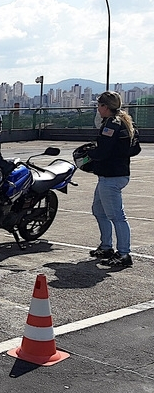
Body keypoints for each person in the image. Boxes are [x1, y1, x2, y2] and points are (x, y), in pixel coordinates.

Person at [85, 91, 137, 269]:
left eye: (99, 106)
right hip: (115, 174)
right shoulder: (125, 121)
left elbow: (102, 152)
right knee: (98, 210)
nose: (98, 109)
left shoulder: (112, 125)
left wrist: (87, 153)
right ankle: (106, 247)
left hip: (111, 176)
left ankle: (124, 254)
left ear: (106, 107)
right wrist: (120, 154)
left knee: (117, 216)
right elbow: (135, 148)